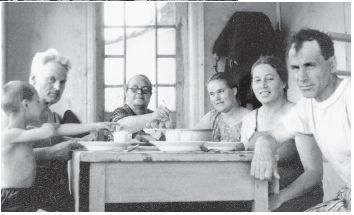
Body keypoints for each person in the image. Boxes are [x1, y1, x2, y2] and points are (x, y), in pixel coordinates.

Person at [250, 28, 350, 212]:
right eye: (296, 68)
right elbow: (272, 137)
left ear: (332, 64)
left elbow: (313, 171)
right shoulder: (307, 106)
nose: (301, 77)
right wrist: (264, 146)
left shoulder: (349, 96)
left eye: (310, 65)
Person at [1, 81, 117, 212]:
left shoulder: (26, 131)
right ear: (26, 104)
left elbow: (60, 129)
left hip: (26, 194)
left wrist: (95, 126)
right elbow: (49, 131)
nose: (41, 105)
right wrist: (49, 125)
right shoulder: (10, 135)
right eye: (38, 101)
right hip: (12, 198)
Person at [241, 55, 323, 211]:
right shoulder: (249, 119)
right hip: (259, 195)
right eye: (257, 80)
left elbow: (314, 172)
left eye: (270, 79)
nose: (263, 85)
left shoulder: (298, 114)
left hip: (295, 198)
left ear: (284, 82)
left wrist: (279, 199)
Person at [28, 48, 92, 211]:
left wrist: (77, 141)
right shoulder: (13, 110)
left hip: (51, 192)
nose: (57, 87)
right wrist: (52, 152)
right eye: (51, 79)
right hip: (25, 196)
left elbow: (48, 139)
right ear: (33, 79)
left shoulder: (47, 110)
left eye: (62, 82)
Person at [108, 74, 172, 141]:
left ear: (150, 94)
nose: (139, 92)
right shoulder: (120, 112)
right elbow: (120, 127)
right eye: (134, 89)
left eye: (145, 89)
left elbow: (163, 142)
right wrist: (153, 116)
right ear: (126, 93)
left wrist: (167, 131)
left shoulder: (155, 116)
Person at [194, 72, 250, 142]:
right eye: (212, 94)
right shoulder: (211, 118)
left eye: (220, 91)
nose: (216, 98)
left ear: (234, 91)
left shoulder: (250, 117)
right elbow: (192, 140)